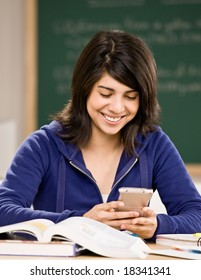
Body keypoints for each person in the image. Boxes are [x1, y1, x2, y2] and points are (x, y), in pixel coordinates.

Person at [0, 30, 201, 241]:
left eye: (130, 97)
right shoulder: (43, 144)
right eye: (105, 94)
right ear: (84, 89)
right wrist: (81, 221)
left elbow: (196, 213)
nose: (117, 107)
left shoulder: (153, 144)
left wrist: (159, 225)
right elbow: (3, 210)